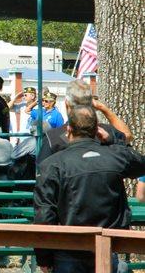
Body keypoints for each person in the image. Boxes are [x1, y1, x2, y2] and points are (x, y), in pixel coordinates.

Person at [34, 105, 145, 273]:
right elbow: (140, 163)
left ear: (69, 129)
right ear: (97, 129)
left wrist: (44, 257)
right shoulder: (116, 155)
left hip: (69, 247)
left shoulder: (52, 164)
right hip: (108, 245)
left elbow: (44, 214)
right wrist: (113, 140)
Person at [37, 79, 133, 165]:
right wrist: (104, 109)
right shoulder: (105, 132)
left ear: (66, 104)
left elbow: (43, 171)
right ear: (92, 104)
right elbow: (127, 136)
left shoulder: (52, 137)